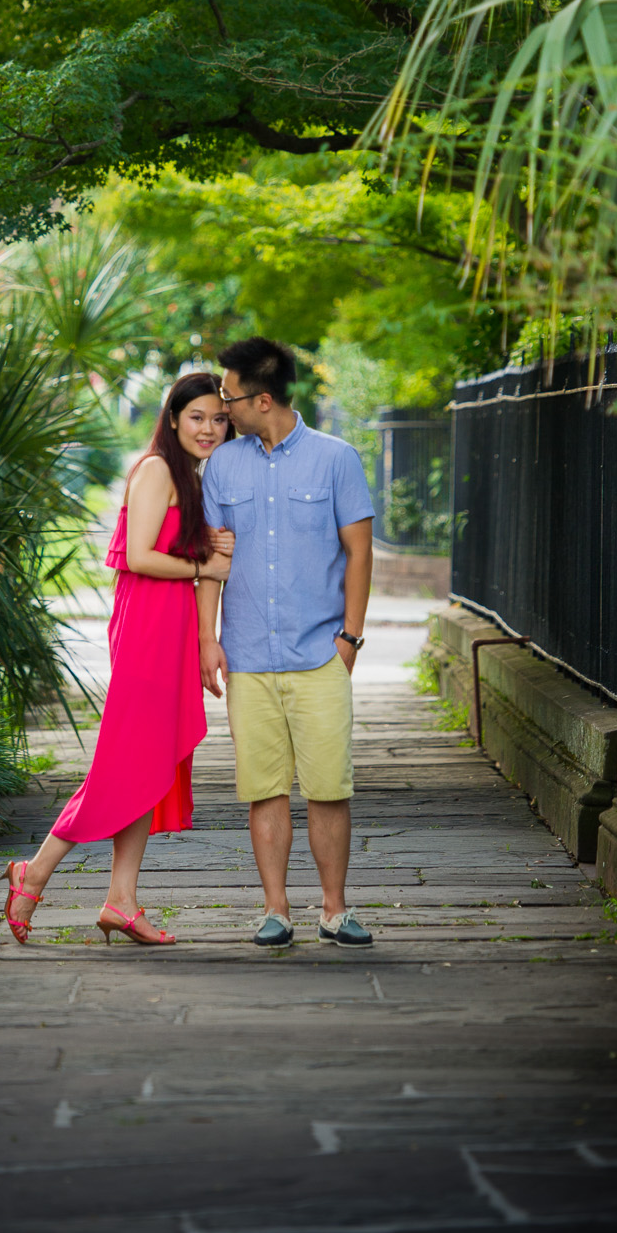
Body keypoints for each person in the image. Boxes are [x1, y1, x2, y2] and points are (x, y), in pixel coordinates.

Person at [0, 371, 234, 948]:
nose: (208, 428)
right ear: (173, 418)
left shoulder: (195, 479)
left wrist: (207, 626)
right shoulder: (157, 469)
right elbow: (138, 556)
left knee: (148, 768)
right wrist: (205, 564)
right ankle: (34, 872)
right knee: (123, 763)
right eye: (197, 417)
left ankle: (121, 902)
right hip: (147, 635)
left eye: (218, 418)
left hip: (170, 633)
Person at [198, 337, 375, 948]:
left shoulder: (336, 459)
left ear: (262, 398)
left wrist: (349, 639)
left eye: (229, 398)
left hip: (319, 653)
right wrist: (208, 640)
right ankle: (276, 910)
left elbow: (359, 553)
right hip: (248, 656)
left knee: (329, 786)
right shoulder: (222, 467)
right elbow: (212, 563)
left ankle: (334, 909)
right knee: (263, 788)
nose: (223, 409)